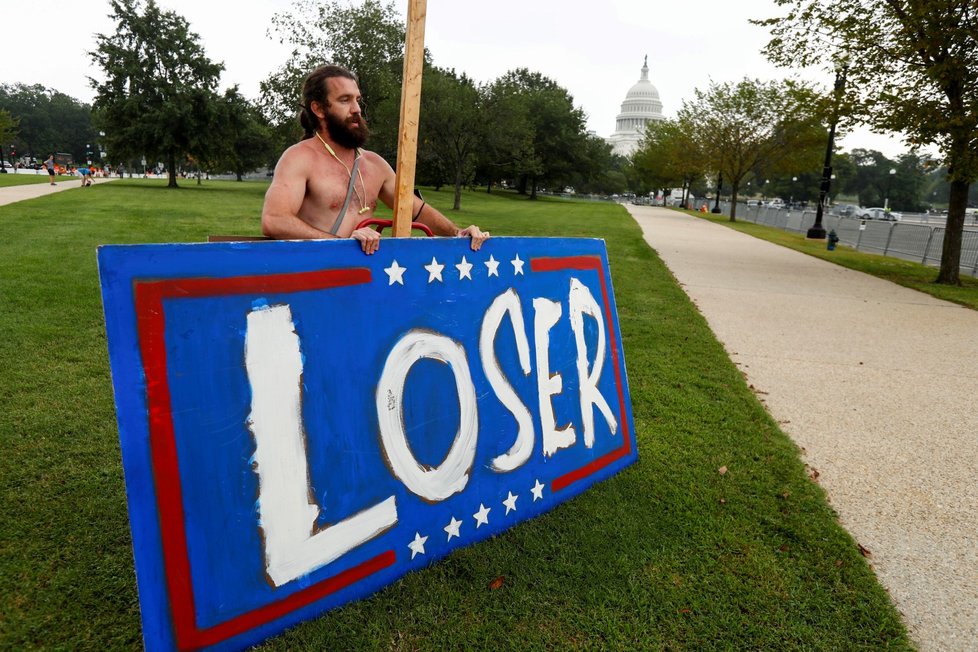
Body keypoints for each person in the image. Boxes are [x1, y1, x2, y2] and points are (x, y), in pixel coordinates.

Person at [262, 65, 489, 254]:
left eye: (357, 100)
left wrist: (457, 232)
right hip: (317, 274)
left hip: (364, 278)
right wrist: (341, 243)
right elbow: (274, 220)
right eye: (344, 100)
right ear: (319, 109)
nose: (357, 109)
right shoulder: (299, 157)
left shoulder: (375, 164)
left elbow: (413, 209)